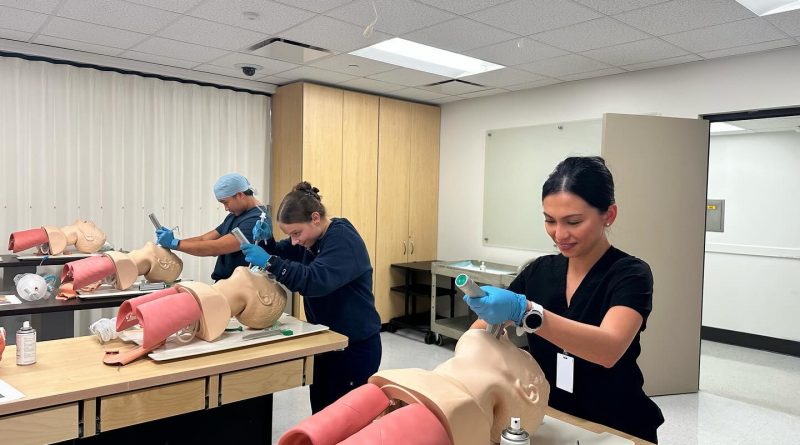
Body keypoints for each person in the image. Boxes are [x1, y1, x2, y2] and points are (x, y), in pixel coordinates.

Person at [464, 156, 664, 443]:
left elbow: (608, 349)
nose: (559, 234)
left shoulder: (630, 274)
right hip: (550, 416)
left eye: (573, 222)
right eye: (549, 220)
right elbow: (484, 331)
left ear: (609, 214)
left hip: (616, 425)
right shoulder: (539, 271)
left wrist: (528, 312)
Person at [240, 181, 382, 413]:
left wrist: (269, 261)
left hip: (354, 347)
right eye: (290, 234)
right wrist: (268, 244)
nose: (295, 240)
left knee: (346, 421)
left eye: (296, 233)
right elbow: (286, 252)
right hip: (327, 340)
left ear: (315, 218)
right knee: (322, 414)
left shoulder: (342, 239)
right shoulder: (311, 238)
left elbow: (314, 281)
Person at [155, 173, 266, 281]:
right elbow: (204, 239)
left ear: (240, 195)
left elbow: (216, 247)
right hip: (226, 284)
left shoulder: (256, 220)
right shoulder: (235, 216)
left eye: (225, 202)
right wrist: (173, 241)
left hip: (241, 287)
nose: (226, 208)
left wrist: (175, 244)